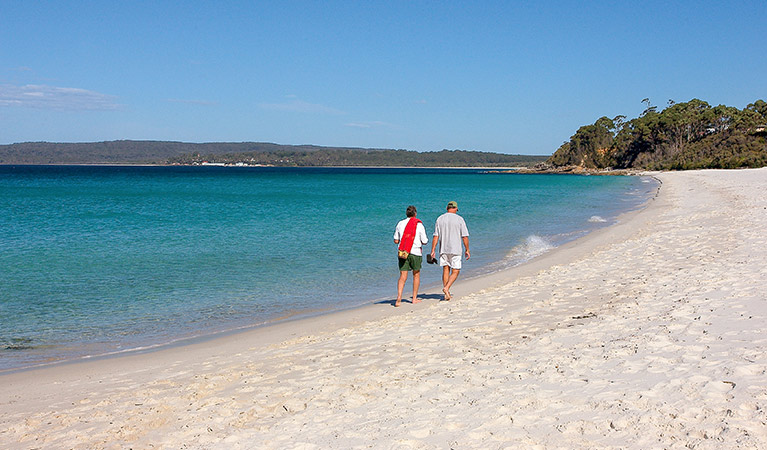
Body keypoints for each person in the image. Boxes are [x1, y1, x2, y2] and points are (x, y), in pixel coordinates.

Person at [430, 200, 470, 301]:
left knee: (445, 269)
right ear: (455, 208)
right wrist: (467, 249)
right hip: (455, 248)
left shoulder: (440, 219)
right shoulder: (460, 219)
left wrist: (433, 250)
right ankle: (447, 288)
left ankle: (446, 293)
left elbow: (436, 236)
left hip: (443, 248)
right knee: (456, 270)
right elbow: (464, 236)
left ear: (447, 208)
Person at [393, 205, 429, 307]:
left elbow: (396, 240)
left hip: (403, 252)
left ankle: (399, 297)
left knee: (403, 276)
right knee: (416, 275)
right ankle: (414, 298)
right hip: (415, 252)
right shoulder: (419, 225)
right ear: (415, 214)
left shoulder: (400, 223)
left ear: (406, 214)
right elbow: (425, 241)